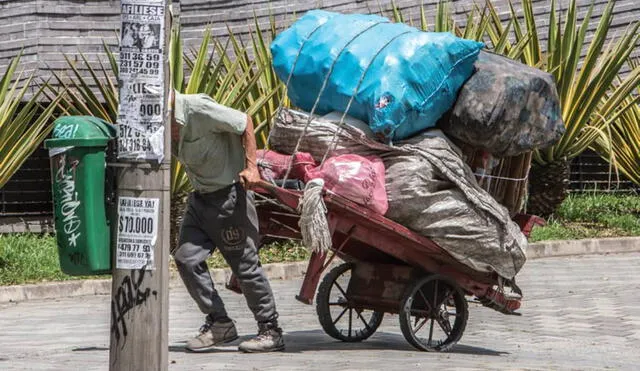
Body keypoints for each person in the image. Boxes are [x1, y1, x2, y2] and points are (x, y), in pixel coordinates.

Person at [170, 90, 284, 353]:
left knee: (245, 266)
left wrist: (251, 166)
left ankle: (270, 330)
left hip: (229, 198)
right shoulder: (152, 119)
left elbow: (245, 121)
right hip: (200, 200)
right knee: (186, 259)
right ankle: (220, 323)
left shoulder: (197, 108)